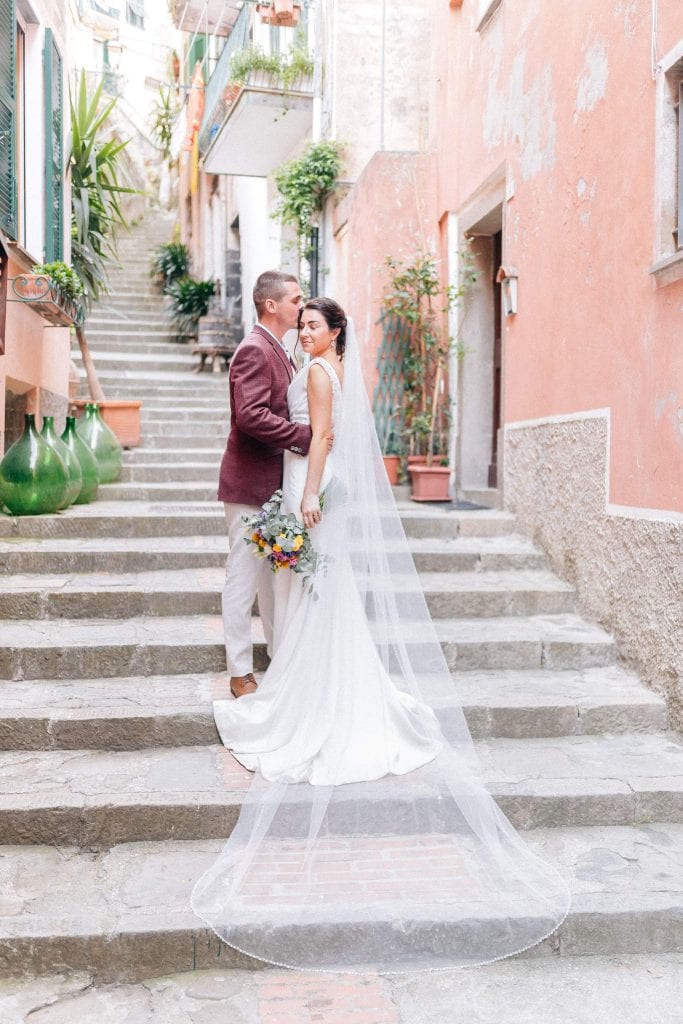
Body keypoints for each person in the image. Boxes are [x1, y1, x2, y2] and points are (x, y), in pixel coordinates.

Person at [193, 299, 571, 974]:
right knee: (320, 598)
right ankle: (326, 687)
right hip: (314, 485)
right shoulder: (331, 367)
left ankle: (309, 702)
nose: (303, 331)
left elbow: (322, 440)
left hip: (311, 489)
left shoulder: (315, 373)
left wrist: (306, 499)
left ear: (333, 330)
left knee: (314, 596)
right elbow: (331, 437)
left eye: (312, 323)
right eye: (300, 322)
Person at [217, 271, 311, 699]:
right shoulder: (255, 349)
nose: (301, 306)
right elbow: (251, 415)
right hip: (250, 485)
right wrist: (301, 436)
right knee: (243, 578)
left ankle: (278, 656)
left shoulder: (282, 350)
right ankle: (239, 672)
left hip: (274, 487)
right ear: (270, 305)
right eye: (295, 299)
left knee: (275, 579)